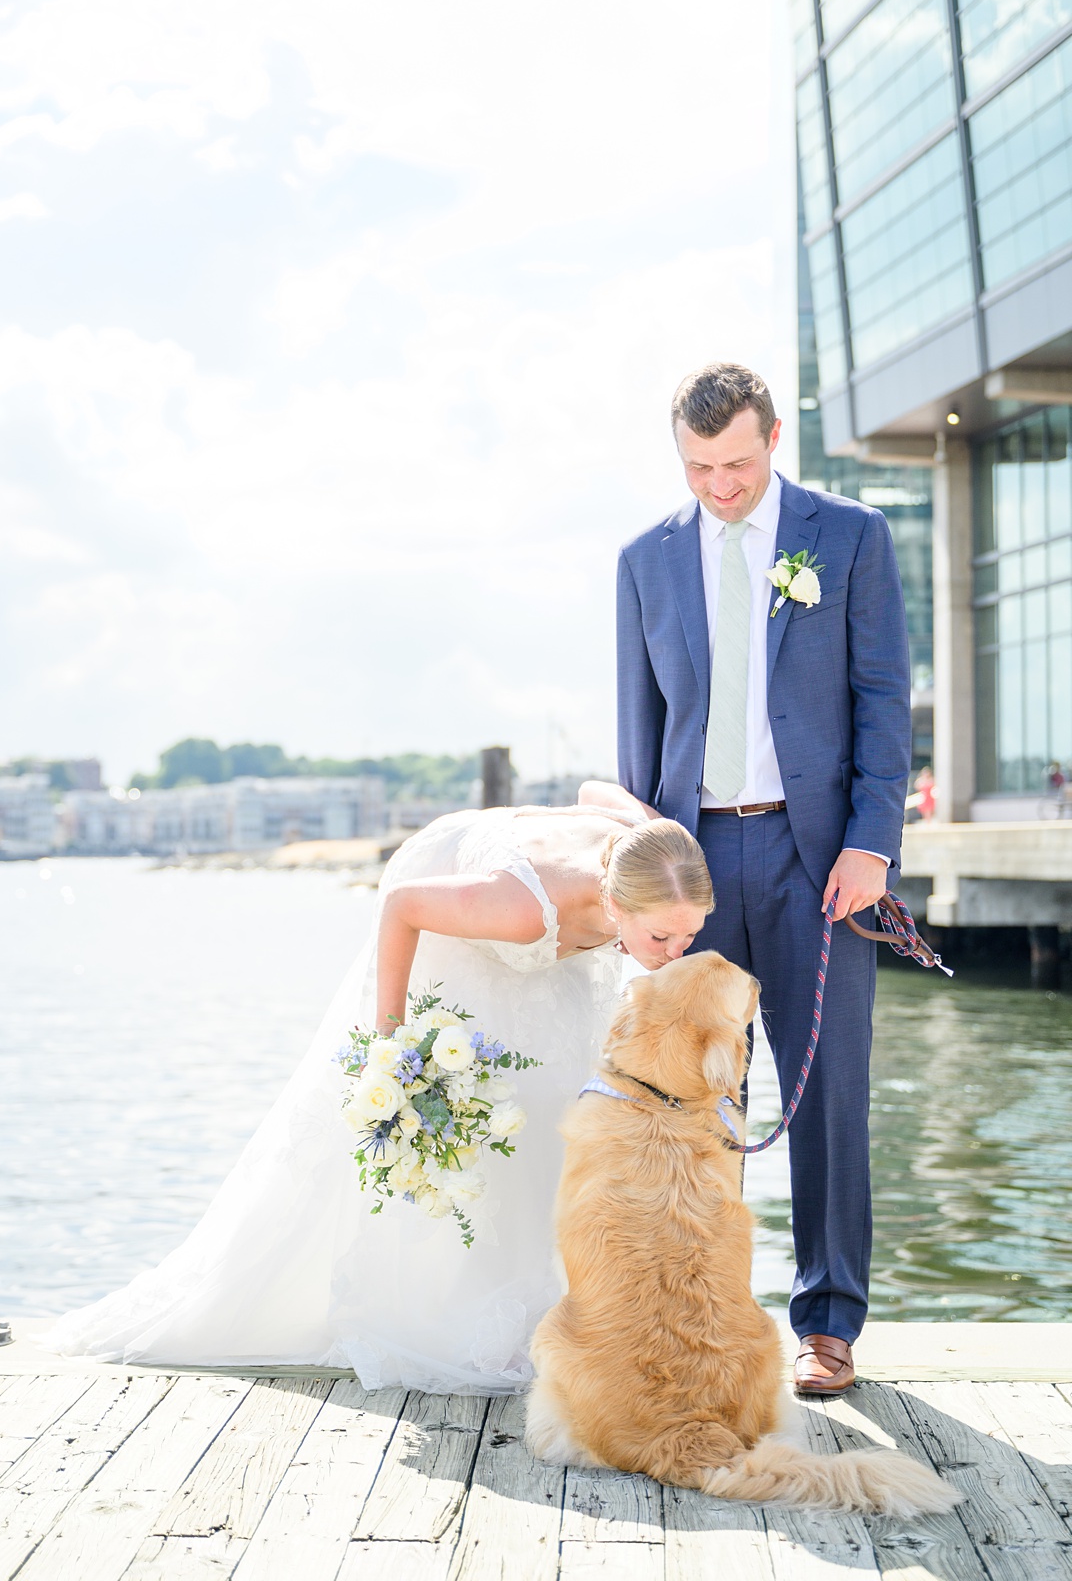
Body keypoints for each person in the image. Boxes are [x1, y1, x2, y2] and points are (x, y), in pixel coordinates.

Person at [49, 803, 712, 1392]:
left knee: (561, 1111)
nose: (673, 953)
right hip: (448, 899)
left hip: (558, 895)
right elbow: (401, 906)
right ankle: (452, 1302)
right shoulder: (514, 907)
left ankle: (563, 1310)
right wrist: (390, 1043)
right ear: (617, 903)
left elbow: (597, 791)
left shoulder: (657, 849)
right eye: (660, 939)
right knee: (478, 1115)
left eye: (688, 936)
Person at [616, 363, 910, 1398]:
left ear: (775, 438)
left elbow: (883, 698)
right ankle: (702, 1316)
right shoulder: (644, 561)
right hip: (694, 863)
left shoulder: (850, 538)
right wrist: (646, 889)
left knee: (827, 1090)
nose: (721, 486)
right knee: (692, 1098)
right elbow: (638, 741)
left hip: (820, 856)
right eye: (700, 467)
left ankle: (827, 1325)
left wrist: (872, 843)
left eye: (737, 463)